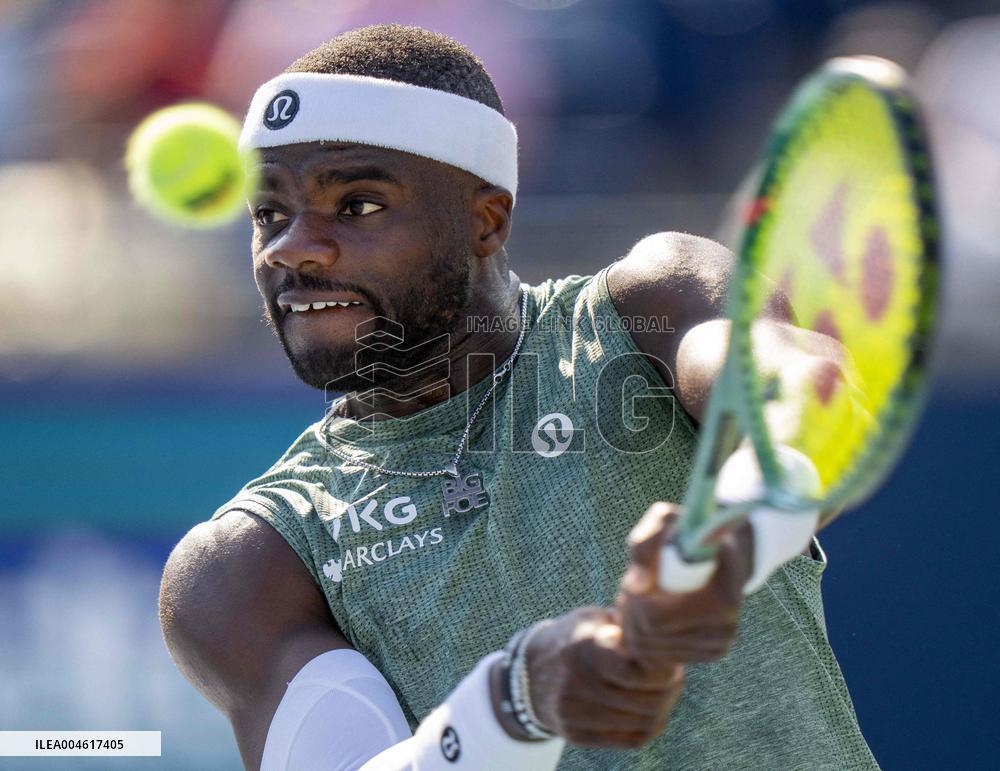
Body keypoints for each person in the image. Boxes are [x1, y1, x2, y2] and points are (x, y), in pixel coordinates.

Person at [158, 25, 878, 771]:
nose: (289, 248)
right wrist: (514, 703)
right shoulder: (246, 567)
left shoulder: (649, 305)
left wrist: (734, 534)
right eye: (269, 215)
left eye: (358, 204)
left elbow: (807, 396)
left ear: (486, 219)